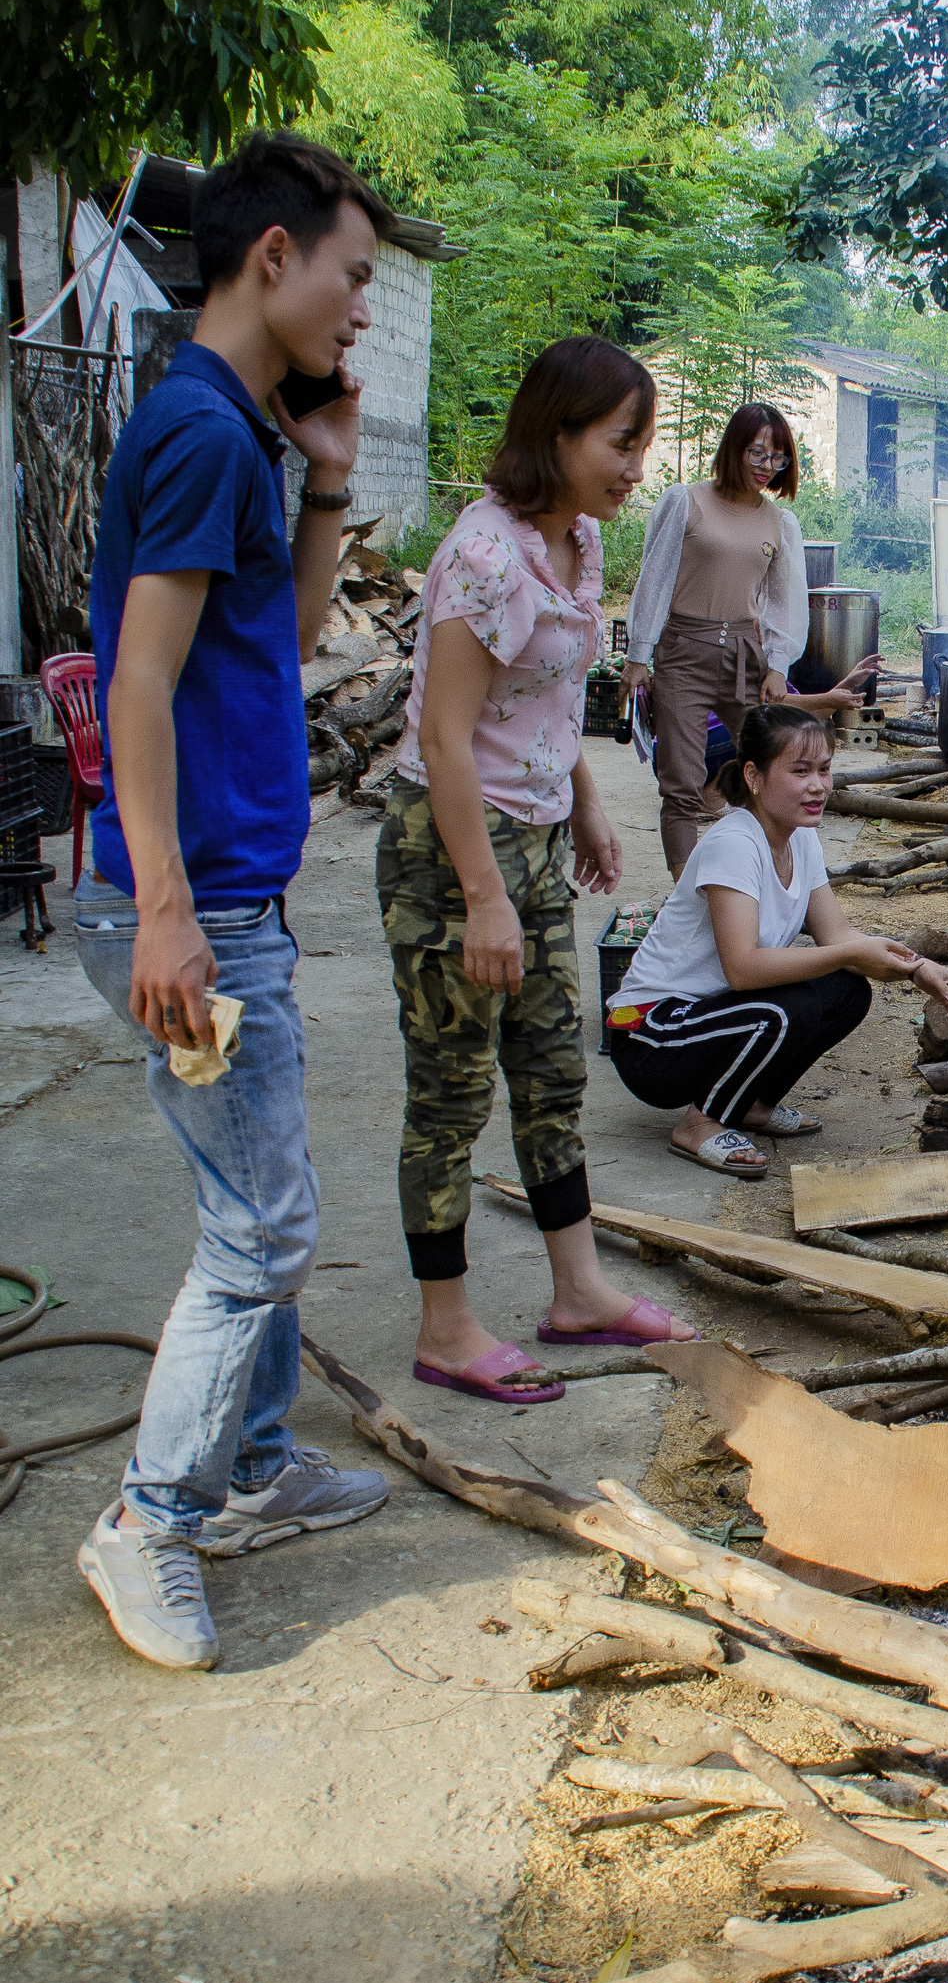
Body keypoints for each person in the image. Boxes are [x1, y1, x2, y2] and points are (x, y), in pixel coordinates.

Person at [72, 134, 396, 1672]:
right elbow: (139, 683)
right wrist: (162, 908)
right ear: (272, 258)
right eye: (352, 278)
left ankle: (253, 1469)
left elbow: (281, 632)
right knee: (262, 1226)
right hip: (189, 898)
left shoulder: (231, 428)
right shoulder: (200, 431)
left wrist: (329, 477)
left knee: (259, 1201)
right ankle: (149, 1519)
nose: (361, 316)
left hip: (229, 888)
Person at [378, 336, 700, 1402]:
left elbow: (553, 702)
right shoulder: (485, 556)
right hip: (448, 848)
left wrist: (590, 804)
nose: (633, 464)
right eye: (621, 440)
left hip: (535, 838)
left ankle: (578, 1293)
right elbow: (445, 739)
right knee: (452, 1090)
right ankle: (446, 1324)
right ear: (555, 431)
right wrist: (482, 896)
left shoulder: (579, 542)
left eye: (641, 443)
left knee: (554, 1068)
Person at [603, 703, 948, 1176]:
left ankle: (750, 1105)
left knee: (847, 992)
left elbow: (838, 934)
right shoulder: (734, 842)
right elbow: (743, 970)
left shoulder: (801, 837)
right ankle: (700, 1123)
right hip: (651, 1036)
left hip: (715, 1017)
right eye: (800, 770)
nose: (818, 786)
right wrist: (847, 953)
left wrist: (919, 968)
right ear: (754, 776)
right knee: (791, 1007)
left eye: (825, 769)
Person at [622, 404, 812, 874]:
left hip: (745, 656)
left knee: (768, 771)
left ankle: (761, 881)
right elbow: (655, 578)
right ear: (734, 448)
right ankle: (688, 897)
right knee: (681, 784)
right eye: (758, 453)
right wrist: (638, 655)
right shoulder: (686, 501)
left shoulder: (778, 522)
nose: (768, 466)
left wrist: (777, 665)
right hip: (684, 652)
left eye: (778, 458)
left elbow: (782, 600)